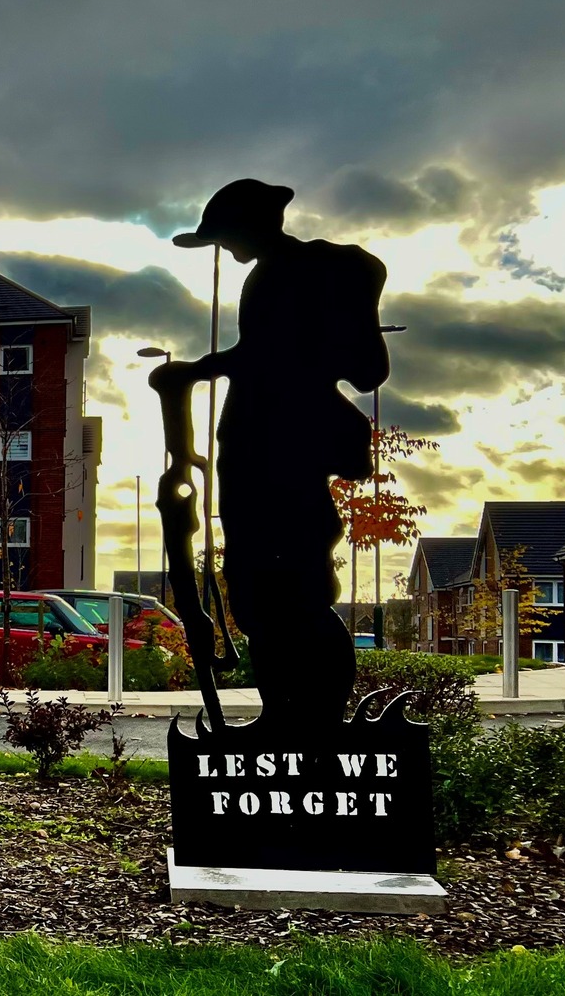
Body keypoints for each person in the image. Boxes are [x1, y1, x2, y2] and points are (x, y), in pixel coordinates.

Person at [156, 179, 388, 726]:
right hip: (255, 442)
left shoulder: (304, 273)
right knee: (259, 585)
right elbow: (259, 353)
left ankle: (315, 715)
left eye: (227, 237)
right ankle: (281, 711)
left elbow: (273, 357)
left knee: (290, 584)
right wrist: (197, 370)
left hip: (281, 446)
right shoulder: (269, 274)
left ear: (254, 225)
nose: (227, 250)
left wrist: (199, 370)